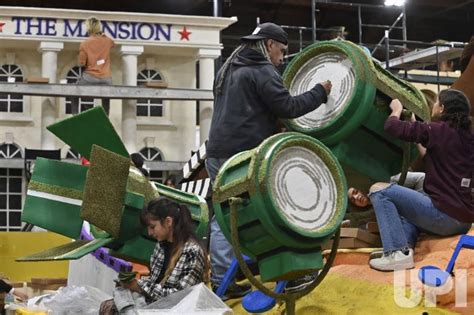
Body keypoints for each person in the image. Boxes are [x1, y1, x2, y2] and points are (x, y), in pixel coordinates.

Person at [205, 22, 332, 298]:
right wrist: (320, 92)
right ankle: (285, 269)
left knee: (225, 215)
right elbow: (288, 106)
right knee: (269, 208)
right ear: (269, 44)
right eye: (282, 50)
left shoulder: (230, 67)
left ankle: (221, 280)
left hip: (216, 152)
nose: (282, 57)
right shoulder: (262, 70)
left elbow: (247, 109)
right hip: (241, 154)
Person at [368, 89, 474, 271]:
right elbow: (434, 157)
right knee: (410, 205)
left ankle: (395, 253)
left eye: (436, 103)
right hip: (463, 221)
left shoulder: (437, 130)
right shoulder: (466, 137)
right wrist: (419, 135)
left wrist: (396, 110)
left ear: (442, 108)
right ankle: (404, 248)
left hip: (443, 218)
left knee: (380, 190)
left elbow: (392, 127)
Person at [100, 197, 208, 313]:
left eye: (152, 227)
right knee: (109, 306)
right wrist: (132, 285)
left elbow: (180, 298)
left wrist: (140, 287)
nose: (150, 233)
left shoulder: (192, 252)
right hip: (154, 306)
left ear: (168, 222)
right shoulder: (161, 246)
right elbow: (155, 282)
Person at [72, 16, 114, 116]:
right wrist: (103, 35)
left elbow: (82, 63)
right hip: (106, 78)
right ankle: (106, 116)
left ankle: (75, 114)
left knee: (73, 91)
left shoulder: (84, 44)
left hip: (90, 77)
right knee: (106, 96)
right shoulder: (107, 41)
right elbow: (113, 43)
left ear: (88, 28)